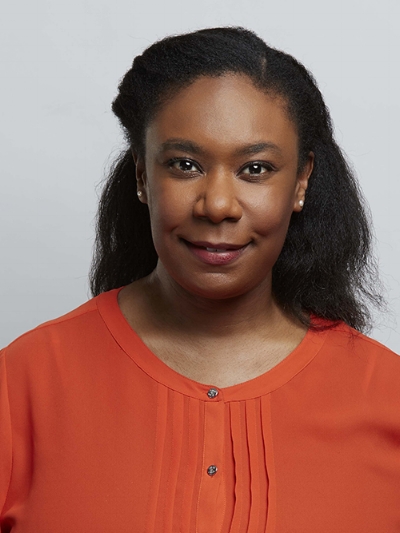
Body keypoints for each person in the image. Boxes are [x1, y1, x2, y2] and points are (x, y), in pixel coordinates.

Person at [1, 26, 399, 532]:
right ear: (143, 176)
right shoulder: (21, 385)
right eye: (184, 165)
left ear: (300, 182)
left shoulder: (387, 396)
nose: (217, 205)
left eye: (255, 169)